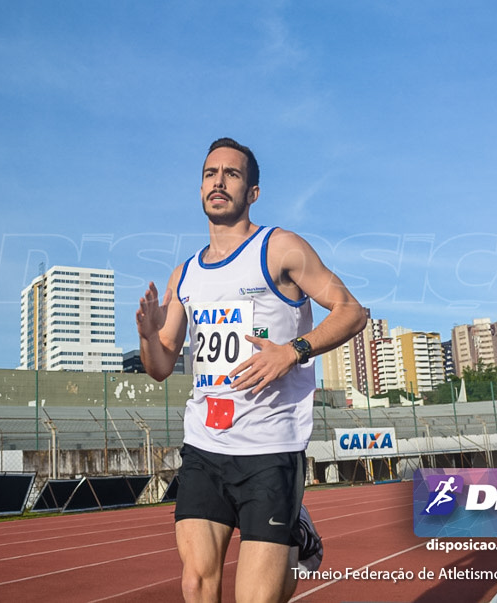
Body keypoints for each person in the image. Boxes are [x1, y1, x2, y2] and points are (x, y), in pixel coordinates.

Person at [136, 138, 367, 603]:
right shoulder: (185, 275)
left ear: (253, 192)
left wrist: (293, 350)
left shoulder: (280, 248)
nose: (217, 181)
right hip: (205, 442)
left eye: (232, 174)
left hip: (269, 448)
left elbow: (351, 311)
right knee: (196, 582)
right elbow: (160, 366)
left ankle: (292, 532)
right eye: (209, 173)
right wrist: (147, 335)